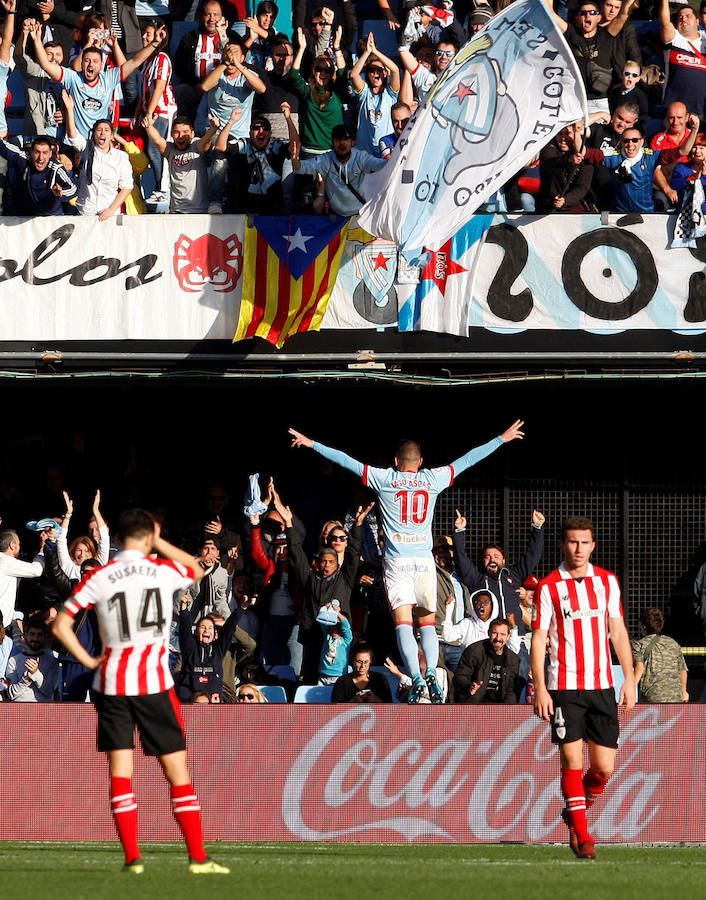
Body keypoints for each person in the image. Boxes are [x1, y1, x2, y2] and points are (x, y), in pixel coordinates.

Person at [289, 420, 524, 703]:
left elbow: (346, 460)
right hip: (425, 563)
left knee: (403, 623)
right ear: (421, 461)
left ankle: (416, 679)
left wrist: (311, 443)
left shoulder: (384, 478)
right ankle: (432, 677)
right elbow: (468, 459)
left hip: (397, 563)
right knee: (427, 625)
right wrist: (501, 438)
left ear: (396, 461)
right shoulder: (433, 478)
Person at [51, 508, 229, 875]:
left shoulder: (100, 575)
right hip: (152, 683)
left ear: (115, 540)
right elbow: (198, 569)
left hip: (111, 683)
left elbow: (62, 624)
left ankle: (133, 859)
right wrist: (160, 542)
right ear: (148, 537)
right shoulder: (161, 570)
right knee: (176, 771)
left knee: (120, 773)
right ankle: (197, 858)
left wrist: (89, 660)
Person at [531, 515, 636, 860]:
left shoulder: (607, 582)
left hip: (602, 685)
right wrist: (542, 688)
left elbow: (618, 632)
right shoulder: (549, 586)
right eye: (572, 542)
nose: (578, 548)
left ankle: (574, 813)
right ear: (563, 545)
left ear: (593, 545)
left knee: (603, 768)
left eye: (584, 542)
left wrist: (630, 679)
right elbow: (539, 638)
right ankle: (584, 835)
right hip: (564, 686)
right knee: (572, 761)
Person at [31, 17, 167, 139]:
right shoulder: (72, 77)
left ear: (101, 64)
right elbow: (45, 65)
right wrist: (37, 41)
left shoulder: (108, 78)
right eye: (87, 61)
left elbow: (134, 62)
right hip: (77, 141)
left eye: (95, 61)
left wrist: (154, 43)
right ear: (82, 63)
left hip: (100, 141)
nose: (91, 64)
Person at [291, 123, 387, 216]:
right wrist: (294, 159)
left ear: (352, 142)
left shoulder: (360, 157)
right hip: (336, 219)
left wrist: (396, 156)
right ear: (333, 142)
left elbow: (381, 165)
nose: (342, 143)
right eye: (338, 139)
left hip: (361, 216)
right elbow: (299, 168)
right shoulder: (325, 160)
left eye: (346, 139)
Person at [350, 32, 400, 158]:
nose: (376, 73)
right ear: (367, 74)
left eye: (380, 70)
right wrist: (367, 52)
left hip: (386, 151)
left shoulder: (390, 94)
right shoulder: (364, 93)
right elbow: (353, 75)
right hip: (363, 153)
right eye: (372, 70)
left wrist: (375, 52)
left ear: (385, 73)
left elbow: (395, 69)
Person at [0, 134, 77, 215]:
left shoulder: (56, 168)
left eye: (45, 153)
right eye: (37, 152)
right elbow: (4, 147)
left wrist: (61, 193)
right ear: (31, 152)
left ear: (50, 154)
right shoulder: (24, 159)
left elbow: (73, 189)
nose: (40, 158)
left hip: (51, 217)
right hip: (25, 216)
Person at [453, 617, 521, 704]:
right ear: (488, 633)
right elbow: (459, 677)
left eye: (502, 634)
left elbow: (511, 690)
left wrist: (508, 711)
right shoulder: (474, 651)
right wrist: (469, 686)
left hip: (499, 707)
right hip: (473, 704)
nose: (498, 638)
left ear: (508, 636)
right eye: (494, 633)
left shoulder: (513, 659)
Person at [659, 0, 706, 122]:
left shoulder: (705, 40)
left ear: (697, 21)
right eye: (680, 17)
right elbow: (665, 22)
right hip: (674, 112)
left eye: (688, 16)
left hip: (702, 111)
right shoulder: (674, 39)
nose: (683, 19)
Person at [632, 607, 688, 703]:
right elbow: (682, 671)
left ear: (643, 626)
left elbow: (639, 668)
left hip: (652, 697)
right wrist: (684, 691)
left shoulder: (639, 645)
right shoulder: (673, 643)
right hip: (676, 698)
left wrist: (630, 689)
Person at [4, 616, 59, 701]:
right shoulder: (13, 661)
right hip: (18, 710)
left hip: (43, 709)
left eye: (39, 635)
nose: (35, 638)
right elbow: (11, 694)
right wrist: (26, 678)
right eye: (32, 634)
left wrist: (35, 673)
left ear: (45, 637)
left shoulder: (52, 662)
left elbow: (49, 691)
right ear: (25, 635)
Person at [0, 528, 44, 633]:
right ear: (12, 545)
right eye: (18, 544)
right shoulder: (5, 561)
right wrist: (42, 549)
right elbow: (36, 570)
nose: (20, 547)